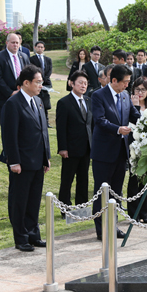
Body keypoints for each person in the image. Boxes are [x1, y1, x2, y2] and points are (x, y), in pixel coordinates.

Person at [0, 65, 51, 252]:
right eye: (38, 82)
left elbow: (43, 131)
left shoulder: (37, 101)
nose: (40, 85)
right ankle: (21, 238)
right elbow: (9, 136)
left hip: (38, 161)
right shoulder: (13, 104)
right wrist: (14, 161)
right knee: (19, 201)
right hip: (21, 162)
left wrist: (46, 157)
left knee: (34, 200)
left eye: (41, 82)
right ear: (26, 82)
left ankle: (33, 234)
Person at [90, 64, 140, 240]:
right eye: (125, 82)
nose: (127, 85)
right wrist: (118, 129)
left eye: (129, 81)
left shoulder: (125, 95)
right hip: (103, 153)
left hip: (121, 153)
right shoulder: (98, 96)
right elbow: (99, 120)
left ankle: (114, 226)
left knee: (116, 192)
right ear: (113, 80)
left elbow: (134, 115)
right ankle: (102, 230)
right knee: (102, 192)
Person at [56, 71, 92, 215]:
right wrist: (62, 148)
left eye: (85, 83)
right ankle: (65, 209)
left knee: (83, 179)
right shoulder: (64, 102)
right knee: (67, 179)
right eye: (80, 83)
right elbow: (61, 127)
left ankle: (82, 207)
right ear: (72, 83)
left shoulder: (89, 101)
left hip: (86, 148)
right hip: (70, 149)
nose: (83, 86)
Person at [127, 76, 147, 223]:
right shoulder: (129, 105)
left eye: (143, 89)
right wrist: (135, 106)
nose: (140, 92)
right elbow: (135, 122)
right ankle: (133, 212)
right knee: (134, 179)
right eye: (137, 89)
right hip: (133, 148)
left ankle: (146, 211)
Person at [0, 33, 30, 119]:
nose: (15, 45)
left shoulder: (24, 57)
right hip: (5, 98)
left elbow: (28, 75)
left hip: (23, 96)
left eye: (17, 42)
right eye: (13, 42)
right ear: (7, 43)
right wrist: (10, 93)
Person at [30, 41, 53, 127]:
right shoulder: (31, 59)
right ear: (35, 48)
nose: (40, 48)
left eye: (41, 47)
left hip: (46, 84)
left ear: (44, 48)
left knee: (45, 104)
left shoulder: (48, 59)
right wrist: (38, 80)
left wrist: (44, 79)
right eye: (38, 47)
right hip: (36, 83)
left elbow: (49, 70)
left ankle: (46, 122)